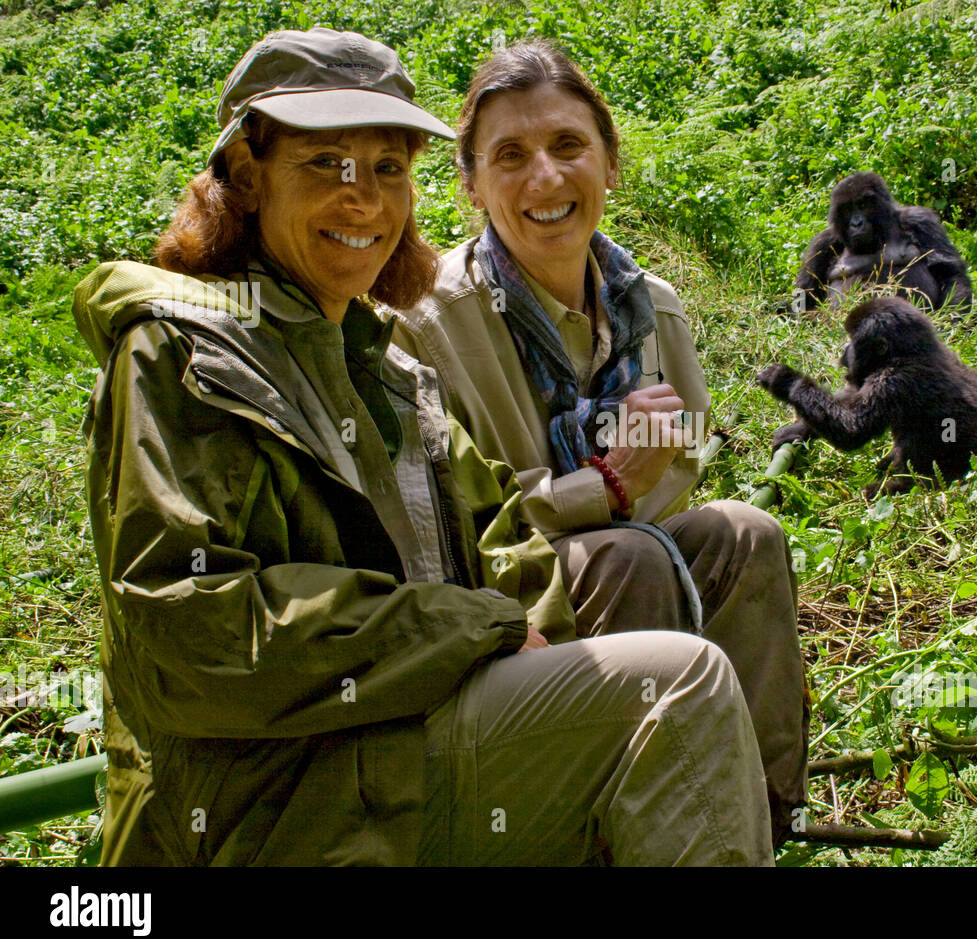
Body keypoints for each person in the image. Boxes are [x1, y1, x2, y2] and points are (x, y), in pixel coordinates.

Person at [74, 27, 773, 866]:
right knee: (669, 671)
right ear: (248, 178)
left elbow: (511, 546)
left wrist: (522, 635)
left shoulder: (386, 357)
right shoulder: (189, 354)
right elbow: (185, 630)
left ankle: (767, 811)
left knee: (722, 562)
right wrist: (489, 616)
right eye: (324, 164)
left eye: (387, 169)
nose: (362, 199)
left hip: (407, 733)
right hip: (284, 789)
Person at [390, 41, 810, 843]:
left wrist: (631, 483)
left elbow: (680, 462)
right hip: (498, 597)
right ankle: (626, 828)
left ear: (609, 165)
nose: (545, 178)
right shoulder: (427, 323)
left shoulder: (649, 302)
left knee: (746, 534)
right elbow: (453, 535)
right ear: (471, 185)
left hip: (614, 550)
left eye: (568, 146)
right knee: (628, 554)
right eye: (509, 156)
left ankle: (758, 813)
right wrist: (603, 489)